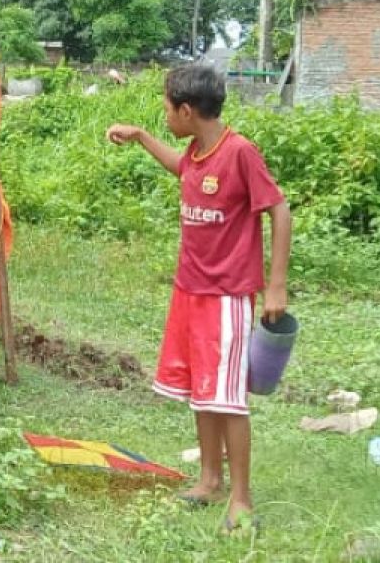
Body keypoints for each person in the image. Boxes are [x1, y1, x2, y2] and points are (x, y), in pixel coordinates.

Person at [105, 64, 291, 533]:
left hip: (226, 297)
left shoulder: (240, 152)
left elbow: (279, 209)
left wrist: (275, 283)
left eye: (167, 109)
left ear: (187, 111)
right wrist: (144, 136)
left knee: (228, 398)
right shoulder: (195, 150)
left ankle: (242, 500)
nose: (166, 115)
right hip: (189, 290)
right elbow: (180, 167)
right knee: (202, 391)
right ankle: (210, 479)